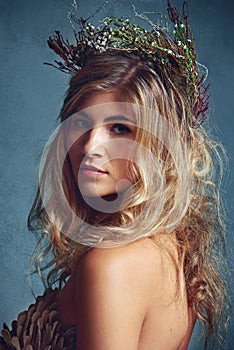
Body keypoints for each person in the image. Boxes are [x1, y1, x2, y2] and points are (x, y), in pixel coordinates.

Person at [0, 1, 229, 349]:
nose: (91, 145)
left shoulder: (110, 265)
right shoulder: (173, 254)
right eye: (81, 123)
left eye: (120, 128)